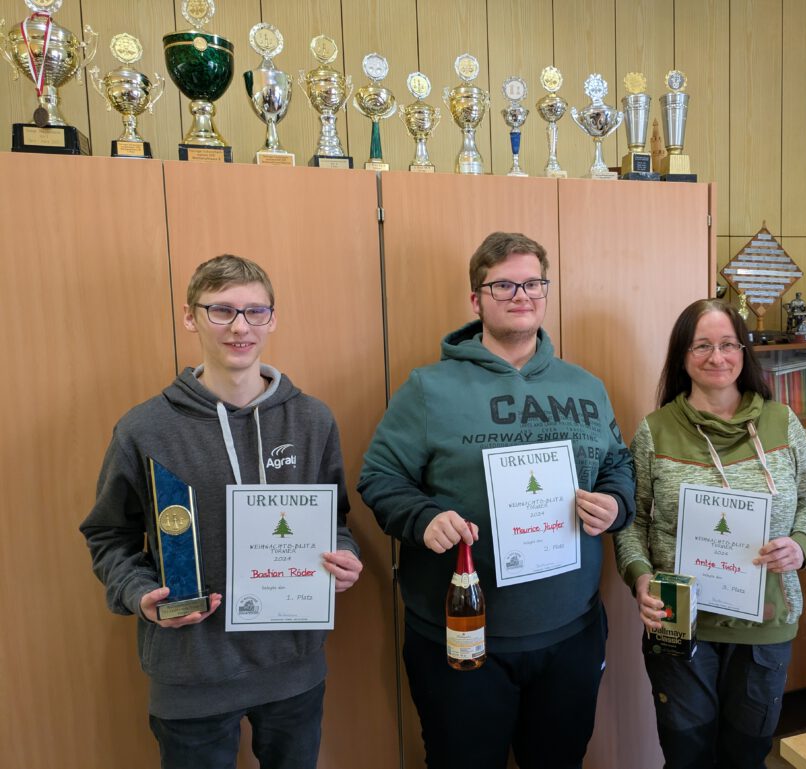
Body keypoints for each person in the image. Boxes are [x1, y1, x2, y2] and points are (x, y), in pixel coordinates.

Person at [357, 231, 635, 769]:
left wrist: (615, 503)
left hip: (571, 633)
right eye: (503, 284)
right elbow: (380, 476)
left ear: (546, 292)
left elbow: (618, 463)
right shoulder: (428, 388)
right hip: (461, 640)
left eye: (533, 282)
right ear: (476, 299)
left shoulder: (586, 387)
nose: (520, 294)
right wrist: (423, 517)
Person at [80, 255, 362, 769]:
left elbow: (336, 519)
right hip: (191, 670)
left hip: (294, 668)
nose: (240, 327)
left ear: (272, 319)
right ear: (190, 316)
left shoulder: (312, 419)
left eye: (255, 312)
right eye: (221, 311)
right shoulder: (144, 428)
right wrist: (140, 595)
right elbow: (108, 536)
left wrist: (343, 556)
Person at [613, 298, 806, 769]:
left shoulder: (781, 421)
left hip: (766, 619)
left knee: (746, 754)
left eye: (729, 344)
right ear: (682, 356)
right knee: (686, 753)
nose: (718, 357)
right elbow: (634, 521)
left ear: (744, 352)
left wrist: (802, 545)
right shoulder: (654, 431)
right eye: (703, 346)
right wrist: (639, 575)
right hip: (678, 617)